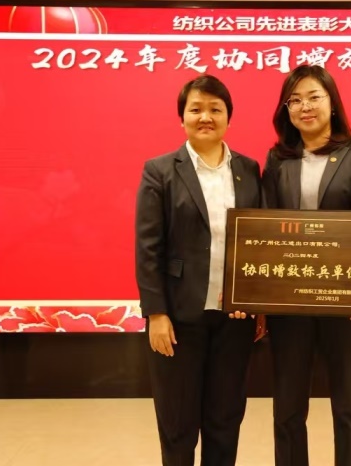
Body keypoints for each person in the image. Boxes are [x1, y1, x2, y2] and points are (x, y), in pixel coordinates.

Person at [261, 65, 351, 466]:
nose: (305, 106)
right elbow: (265, 227)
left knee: (350, 405)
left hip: (343, 294)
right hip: (289, 297)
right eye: (295, 100)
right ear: (286, 110)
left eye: (314, 97)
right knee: (287, 407)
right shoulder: (278, 158)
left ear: (332, 103)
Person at [134, 74, 261, 466]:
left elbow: (260, 240)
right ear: (182, 118)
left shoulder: (249, 169)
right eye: (196, 109)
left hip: (234, 319)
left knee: (225, 420)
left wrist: (258, 302)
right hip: (178, 318)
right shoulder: (160, 171)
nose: (206, 117)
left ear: (228, 117)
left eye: (215, 109)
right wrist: (156, 314)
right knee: (178, 424)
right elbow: (148, 249)